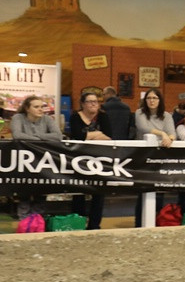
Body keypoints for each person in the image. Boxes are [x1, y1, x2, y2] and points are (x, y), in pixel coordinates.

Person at [10, 95, 62, 219]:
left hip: (43, 162)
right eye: (36, 107)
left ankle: (38, 224)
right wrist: (42, 139)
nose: (41, 109)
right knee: (24, 195)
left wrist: (36, 135)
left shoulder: (47, 119)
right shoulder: (18, 118)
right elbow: (17, 135)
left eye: (42, 107)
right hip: (23, 162)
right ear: (27, 108)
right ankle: (24, 224)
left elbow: (58, 136)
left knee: (41, 193)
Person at [69, 91, 113, 229]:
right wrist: (98, 134)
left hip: (99, 159)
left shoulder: (103, 116)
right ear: (82, 104)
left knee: (99, 192)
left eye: (96, 101)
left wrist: (89, 135)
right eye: (89, 101)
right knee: (78, 192)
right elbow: (77, 136)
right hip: (78, 159)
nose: (94, 104)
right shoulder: (75, 117)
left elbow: (110, 137)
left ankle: (95, 224)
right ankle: (78, 222)